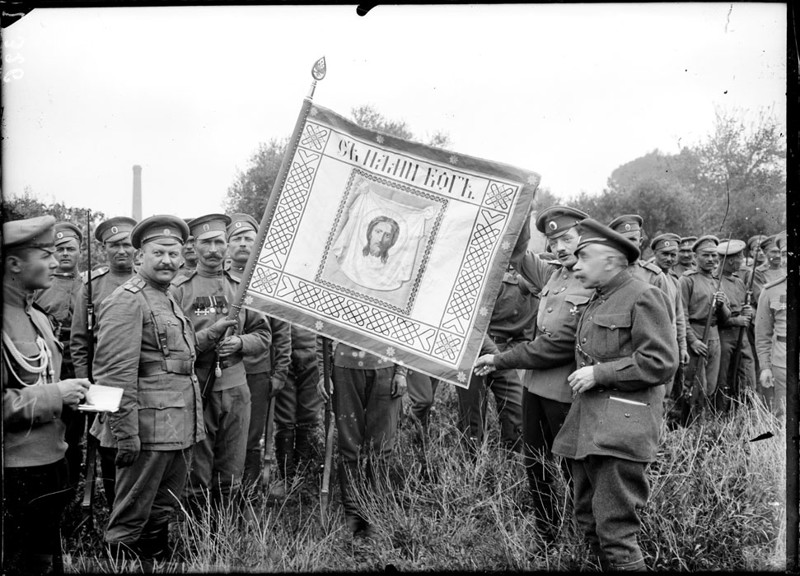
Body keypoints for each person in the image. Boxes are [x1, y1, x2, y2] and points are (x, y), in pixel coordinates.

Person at [552, 218, 677, 571]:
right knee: (589, 522)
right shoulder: (597, 300)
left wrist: (600, 373)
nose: (575, 265)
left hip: (621, 430)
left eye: (584, 256)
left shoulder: (644, 295)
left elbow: (661, 362)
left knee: (616, 533)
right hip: (589, 429)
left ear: (609, 260)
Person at [92, 215, 212, 563]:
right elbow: (113, 374)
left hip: (174, 428)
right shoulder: (128, 299)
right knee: (130, 519)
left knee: (160, 512)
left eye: (174, 254)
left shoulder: (164, 296)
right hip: (145, 430)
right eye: (159, 252)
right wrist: (125, 434)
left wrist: (212, 333)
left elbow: (173, 356)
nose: (168, 261)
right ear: (139, 256)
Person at [474, 205, 593, 541]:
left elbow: (558, 345)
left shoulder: (594, 279)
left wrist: (501, 360)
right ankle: (547, 533)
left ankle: (579, 535)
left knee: (572, 468)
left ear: (583, 237)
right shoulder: (551, 274)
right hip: (535, 387)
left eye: (566, 238)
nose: (559, 248)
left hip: (567, 391)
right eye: (553, 241)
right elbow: (516, 250)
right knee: (535, 464)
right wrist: (521, 205)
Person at [2, 215, 91, 574]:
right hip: (16, 471)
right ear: (13, 263)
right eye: (45, 254)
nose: (55, 262)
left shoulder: (35, 315)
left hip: (51, 463)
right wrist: (57, 395)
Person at [170, 213, 271, 509]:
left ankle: (226, 534)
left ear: (226, 245)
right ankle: (198, 538)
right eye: (206, 243)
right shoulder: (179, 289)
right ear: (194, 246)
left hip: (235, 385)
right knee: (197, 468)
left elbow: (263, 335)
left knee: (231, 467)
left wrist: (240, 342)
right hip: (195, 385)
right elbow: (173, 343)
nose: (213, 249)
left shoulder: (241, 286)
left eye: (219, 242)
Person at [73, 215, 138, 510]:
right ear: (104, 249)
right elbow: (79, 342)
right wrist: (86, 386)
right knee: (110, 449)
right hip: (104, 380)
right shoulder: (91, 286)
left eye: (126, 244)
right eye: (114, 245)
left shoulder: (148, 280)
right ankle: (115, 508)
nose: (121, 251)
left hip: (142, 378)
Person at [225, 213, 292, 494]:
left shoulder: (268, 281)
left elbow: (281, 331)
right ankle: (224, 492)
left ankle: (249, 494)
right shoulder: (220, 279)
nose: (242, 244)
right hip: (225, 372)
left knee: (252, 438)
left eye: (248, 239)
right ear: (228, 246)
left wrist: (280, 372)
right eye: (236, 239)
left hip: (257, 372)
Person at [317, 339, 407, 537]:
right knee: (349, 444)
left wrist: (401, 371)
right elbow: (322, 328)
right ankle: (353, 513)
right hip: (345, 368)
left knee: (382, 447)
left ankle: (375, 512)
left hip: (386, 365)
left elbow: (406, 323)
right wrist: (324, 373)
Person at [33, 221, 85, 496]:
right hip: (47, 367)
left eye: (71, 249)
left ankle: (72, 490)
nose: (65, 254)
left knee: (74, 436)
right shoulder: (40, 285)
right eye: (59, 248)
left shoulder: (88, 285)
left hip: (77, 366)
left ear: (80, 250)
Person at [457, 266, 531, 456]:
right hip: (472, 353)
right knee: (472, 413)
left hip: (502, 358)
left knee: (516, 407)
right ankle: (472, 461)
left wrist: (504, 358)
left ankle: (511, 458)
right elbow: (472, 321)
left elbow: (525, 337)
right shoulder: (499, 285)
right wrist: (495, 354)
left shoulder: (542, 299)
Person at [679, 235, 731, 422]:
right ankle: (690, 426)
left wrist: (722, 305)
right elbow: (681, 314)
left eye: (714, 255)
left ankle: (705, 426)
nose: (711, 259)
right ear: (695, 257)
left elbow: (726, 318)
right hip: (695, 335)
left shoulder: (717, 281)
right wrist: (692, 340)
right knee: (694, 385)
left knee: (710, 386)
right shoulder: (687, 280)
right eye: (706, 255)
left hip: (714, 336)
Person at [271, 324, 324, 498]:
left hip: (313, 351)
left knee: (309, 416)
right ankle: (286, 478)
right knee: (284, 417)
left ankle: (303, 479)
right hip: (281, 349)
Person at [714, 239, 756, 412]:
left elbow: (745, 305)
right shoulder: (715, 281)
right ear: (730, 260)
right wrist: (734, 320)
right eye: (740, 257)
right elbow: (716, 315)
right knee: (723, 378)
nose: (743, 261)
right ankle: (721, 415)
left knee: (747, 376)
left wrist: (748, 311)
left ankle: (746, 414)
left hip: (742, 335)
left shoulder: (738, 281)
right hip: (724, 336)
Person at [649, 233, 690, 403]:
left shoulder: (674, 280)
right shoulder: (649, 276)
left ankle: (664, 427)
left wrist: (682, 346)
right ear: (655, 254)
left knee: (668, 391)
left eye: (673, 254)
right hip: (652, 343)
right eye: (664, 254)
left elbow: (679, 316)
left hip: (670, 343)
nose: (669, 258)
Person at [754, 234, 787, 416]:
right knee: (784, 412)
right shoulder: (770, 291)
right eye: (784, 254)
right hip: (782, 360)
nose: (787, 258)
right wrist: (765, 367)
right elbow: (762, 335)